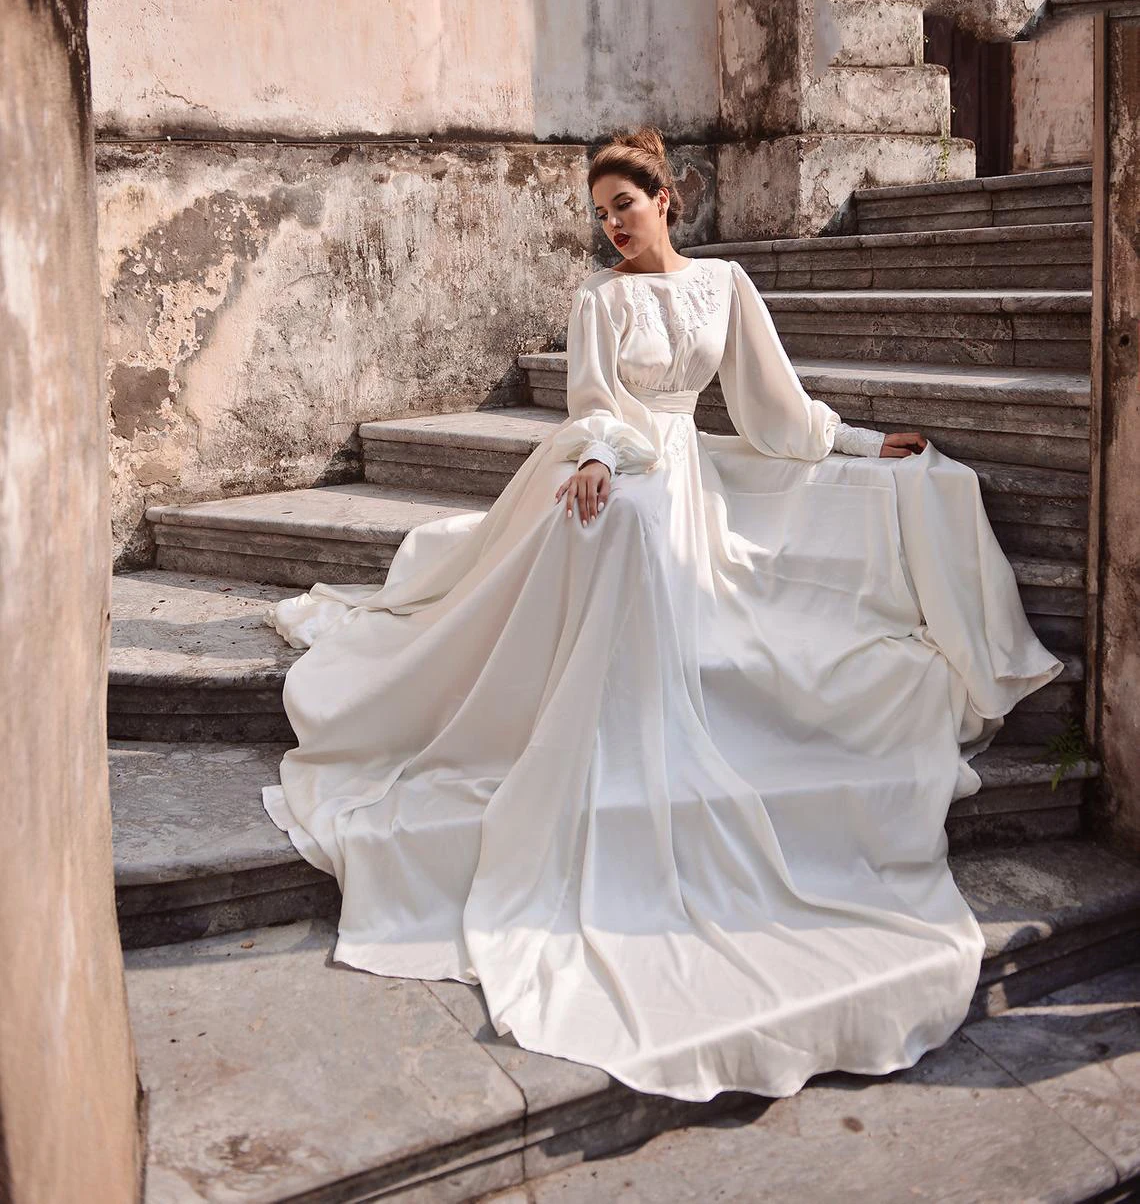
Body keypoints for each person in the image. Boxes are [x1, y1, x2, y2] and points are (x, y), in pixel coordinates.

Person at [260, 126, 1063, 1103]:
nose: (612, 227)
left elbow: (773, 408)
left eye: (625, 207)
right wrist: (601, 457)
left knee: (731, 532)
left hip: (692, 475)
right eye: (601, 214)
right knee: (614, 522)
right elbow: (594, 405)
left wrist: (853, 442)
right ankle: (585, 713)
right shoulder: (600, 300)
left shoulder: (723, 286)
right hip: (612, 463)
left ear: (666, 200)